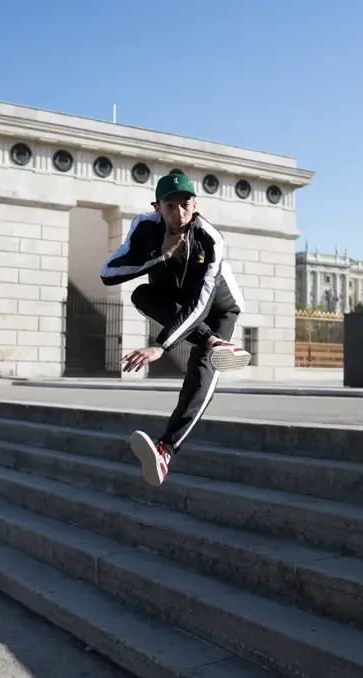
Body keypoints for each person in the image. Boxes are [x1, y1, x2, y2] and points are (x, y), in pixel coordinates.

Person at [100, 172, 251, 487]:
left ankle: (165, 449)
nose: (178, 214)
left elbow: (200, 303)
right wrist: (159, 256)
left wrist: (162, 345)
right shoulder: (144, 227)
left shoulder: (210, 239)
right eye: (170, 206)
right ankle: (216, 344)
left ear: (195, 204)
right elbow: (108, 272)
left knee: (203, 367)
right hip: (176, 300)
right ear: (157, 207)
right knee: (141, 294)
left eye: (185, 205)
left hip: (218, 306)